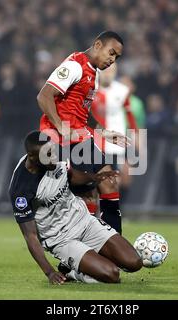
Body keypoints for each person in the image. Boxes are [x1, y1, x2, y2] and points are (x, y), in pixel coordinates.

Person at [8, 131, 143, 284]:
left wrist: (94, 178)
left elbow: (70, 174)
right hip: (61, 239)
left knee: (134, 262)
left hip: (84, 221)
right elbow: (30, 237)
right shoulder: (21, 190)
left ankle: (88, 262)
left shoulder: (53, 155)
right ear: (32, 157)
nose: (54, 156)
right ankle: (73, 272)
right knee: (112, 274)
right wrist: (50, 272)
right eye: (49, 154)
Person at [36, 31, 129, 234]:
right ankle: (79, 253)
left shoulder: (92, 73)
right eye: (111, 53)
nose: (112, 60)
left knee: (109, 183)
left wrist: (103, 132)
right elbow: (44, 96)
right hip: (64, 139)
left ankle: (113, 244)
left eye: (116, 57)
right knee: (86, 193)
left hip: (81, 137)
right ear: (97, 45)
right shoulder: (74, 66)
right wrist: (61, 126)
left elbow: (81, 113)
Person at [91, 64, 139, 203]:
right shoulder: (91, 90)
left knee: (120, 177)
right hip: (95, 140)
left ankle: (116, 209)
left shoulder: (122, 90)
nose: (108, 74)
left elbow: (129, 114)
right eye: (106, 71)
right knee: (96, 179)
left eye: (111, 71)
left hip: (116, 142)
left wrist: (136, 134)